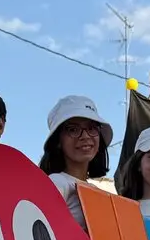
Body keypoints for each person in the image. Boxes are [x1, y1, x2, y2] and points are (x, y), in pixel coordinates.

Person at [38, 95, 113, 231]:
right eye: (73, 129)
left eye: (91, 128)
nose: (85, 136)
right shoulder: (57, 182)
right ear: (58, 141)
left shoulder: (98, 192)